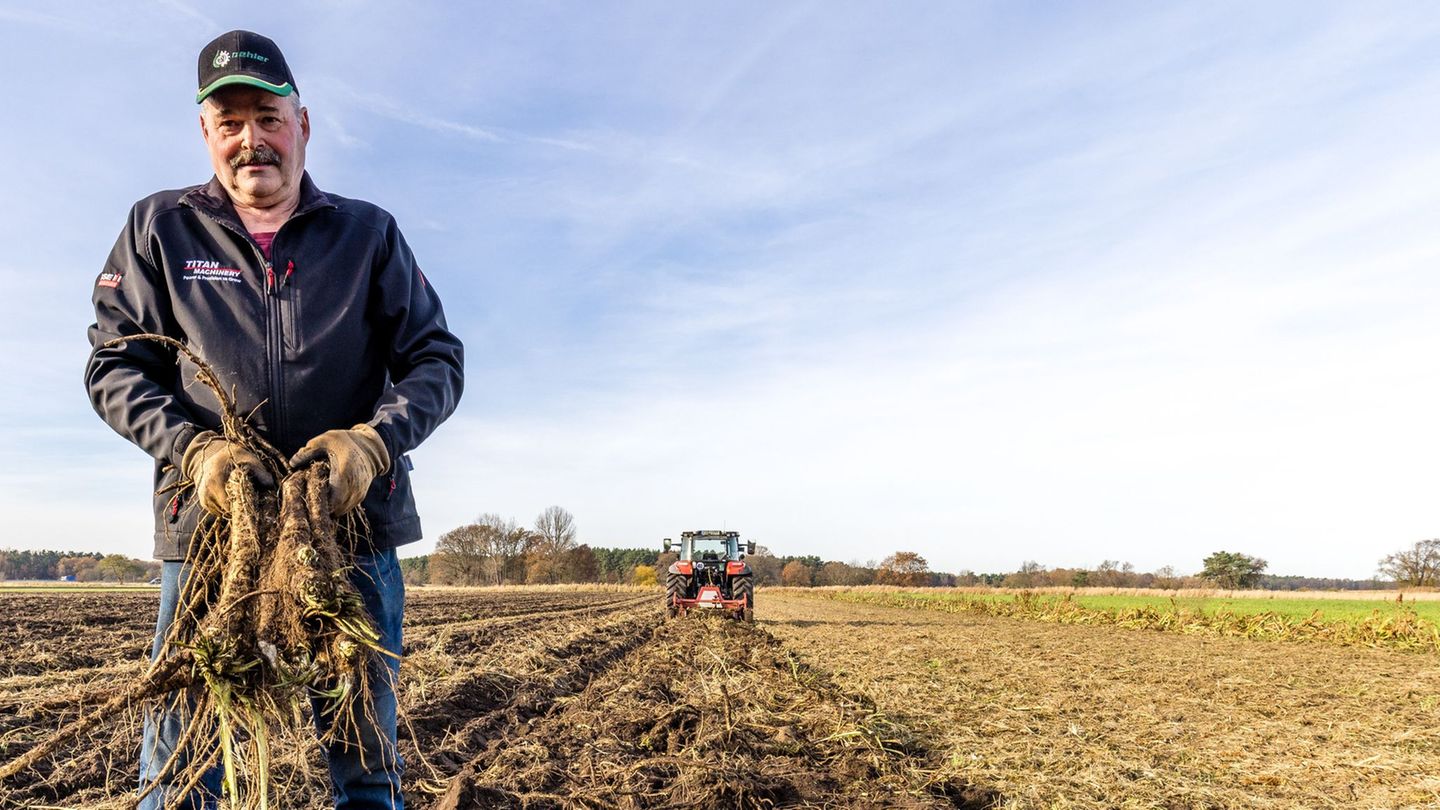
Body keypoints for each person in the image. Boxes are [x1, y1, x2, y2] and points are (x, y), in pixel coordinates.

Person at [84, 30, 464, 810]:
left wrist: (373, 443)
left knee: (365, 755)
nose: (250, 139)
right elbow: (114, 366)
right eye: (229, 122)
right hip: (210, 534)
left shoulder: (367, 234)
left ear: (303, 125)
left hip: (351, 531)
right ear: (206, 133)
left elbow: (436, 359)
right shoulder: (160, 229)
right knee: (184, 758)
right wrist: (193, 451)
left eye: (267, 117)